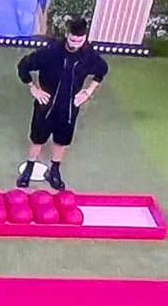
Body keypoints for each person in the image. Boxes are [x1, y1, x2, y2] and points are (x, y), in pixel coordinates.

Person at [15, 18, 108, 191]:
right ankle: (29, 168)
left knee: (62, 140)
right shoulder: (51, 52)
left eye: (80, 41)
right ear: (67, 35)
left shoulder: (88, 55)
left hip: (69, 106)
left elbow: (102, 70)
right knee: (37, 138)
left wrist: (88, 92)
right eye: (72, 40)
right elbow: (23, 66)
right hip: (46, 104)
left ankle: (54, 170)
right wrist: (33, 88)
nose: (76, 44)